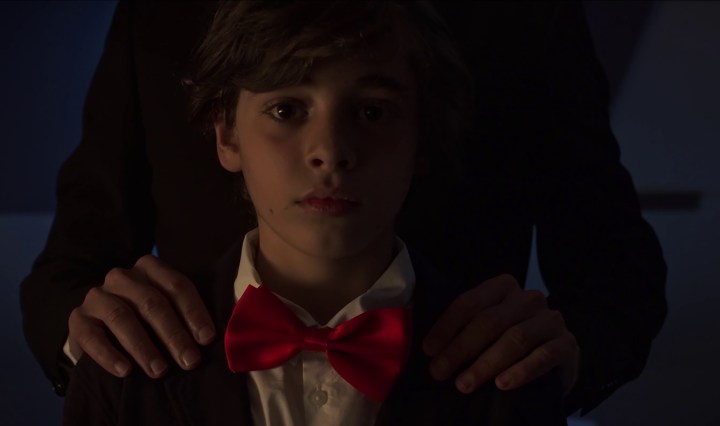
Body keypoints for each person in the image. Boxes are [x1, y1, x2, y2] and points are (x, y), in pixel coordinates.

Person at [20, 0, 666, 418]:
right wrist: (98, 353)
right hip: (181, 382)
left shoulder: (526, 16)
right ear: (225, 132)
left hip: (460, 389)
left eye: (373, 112)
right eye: (285, 109)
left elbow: (615, 268)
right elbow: (73, 261)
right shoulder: (161, 15)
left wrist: (554, 363)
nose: (328, 151)